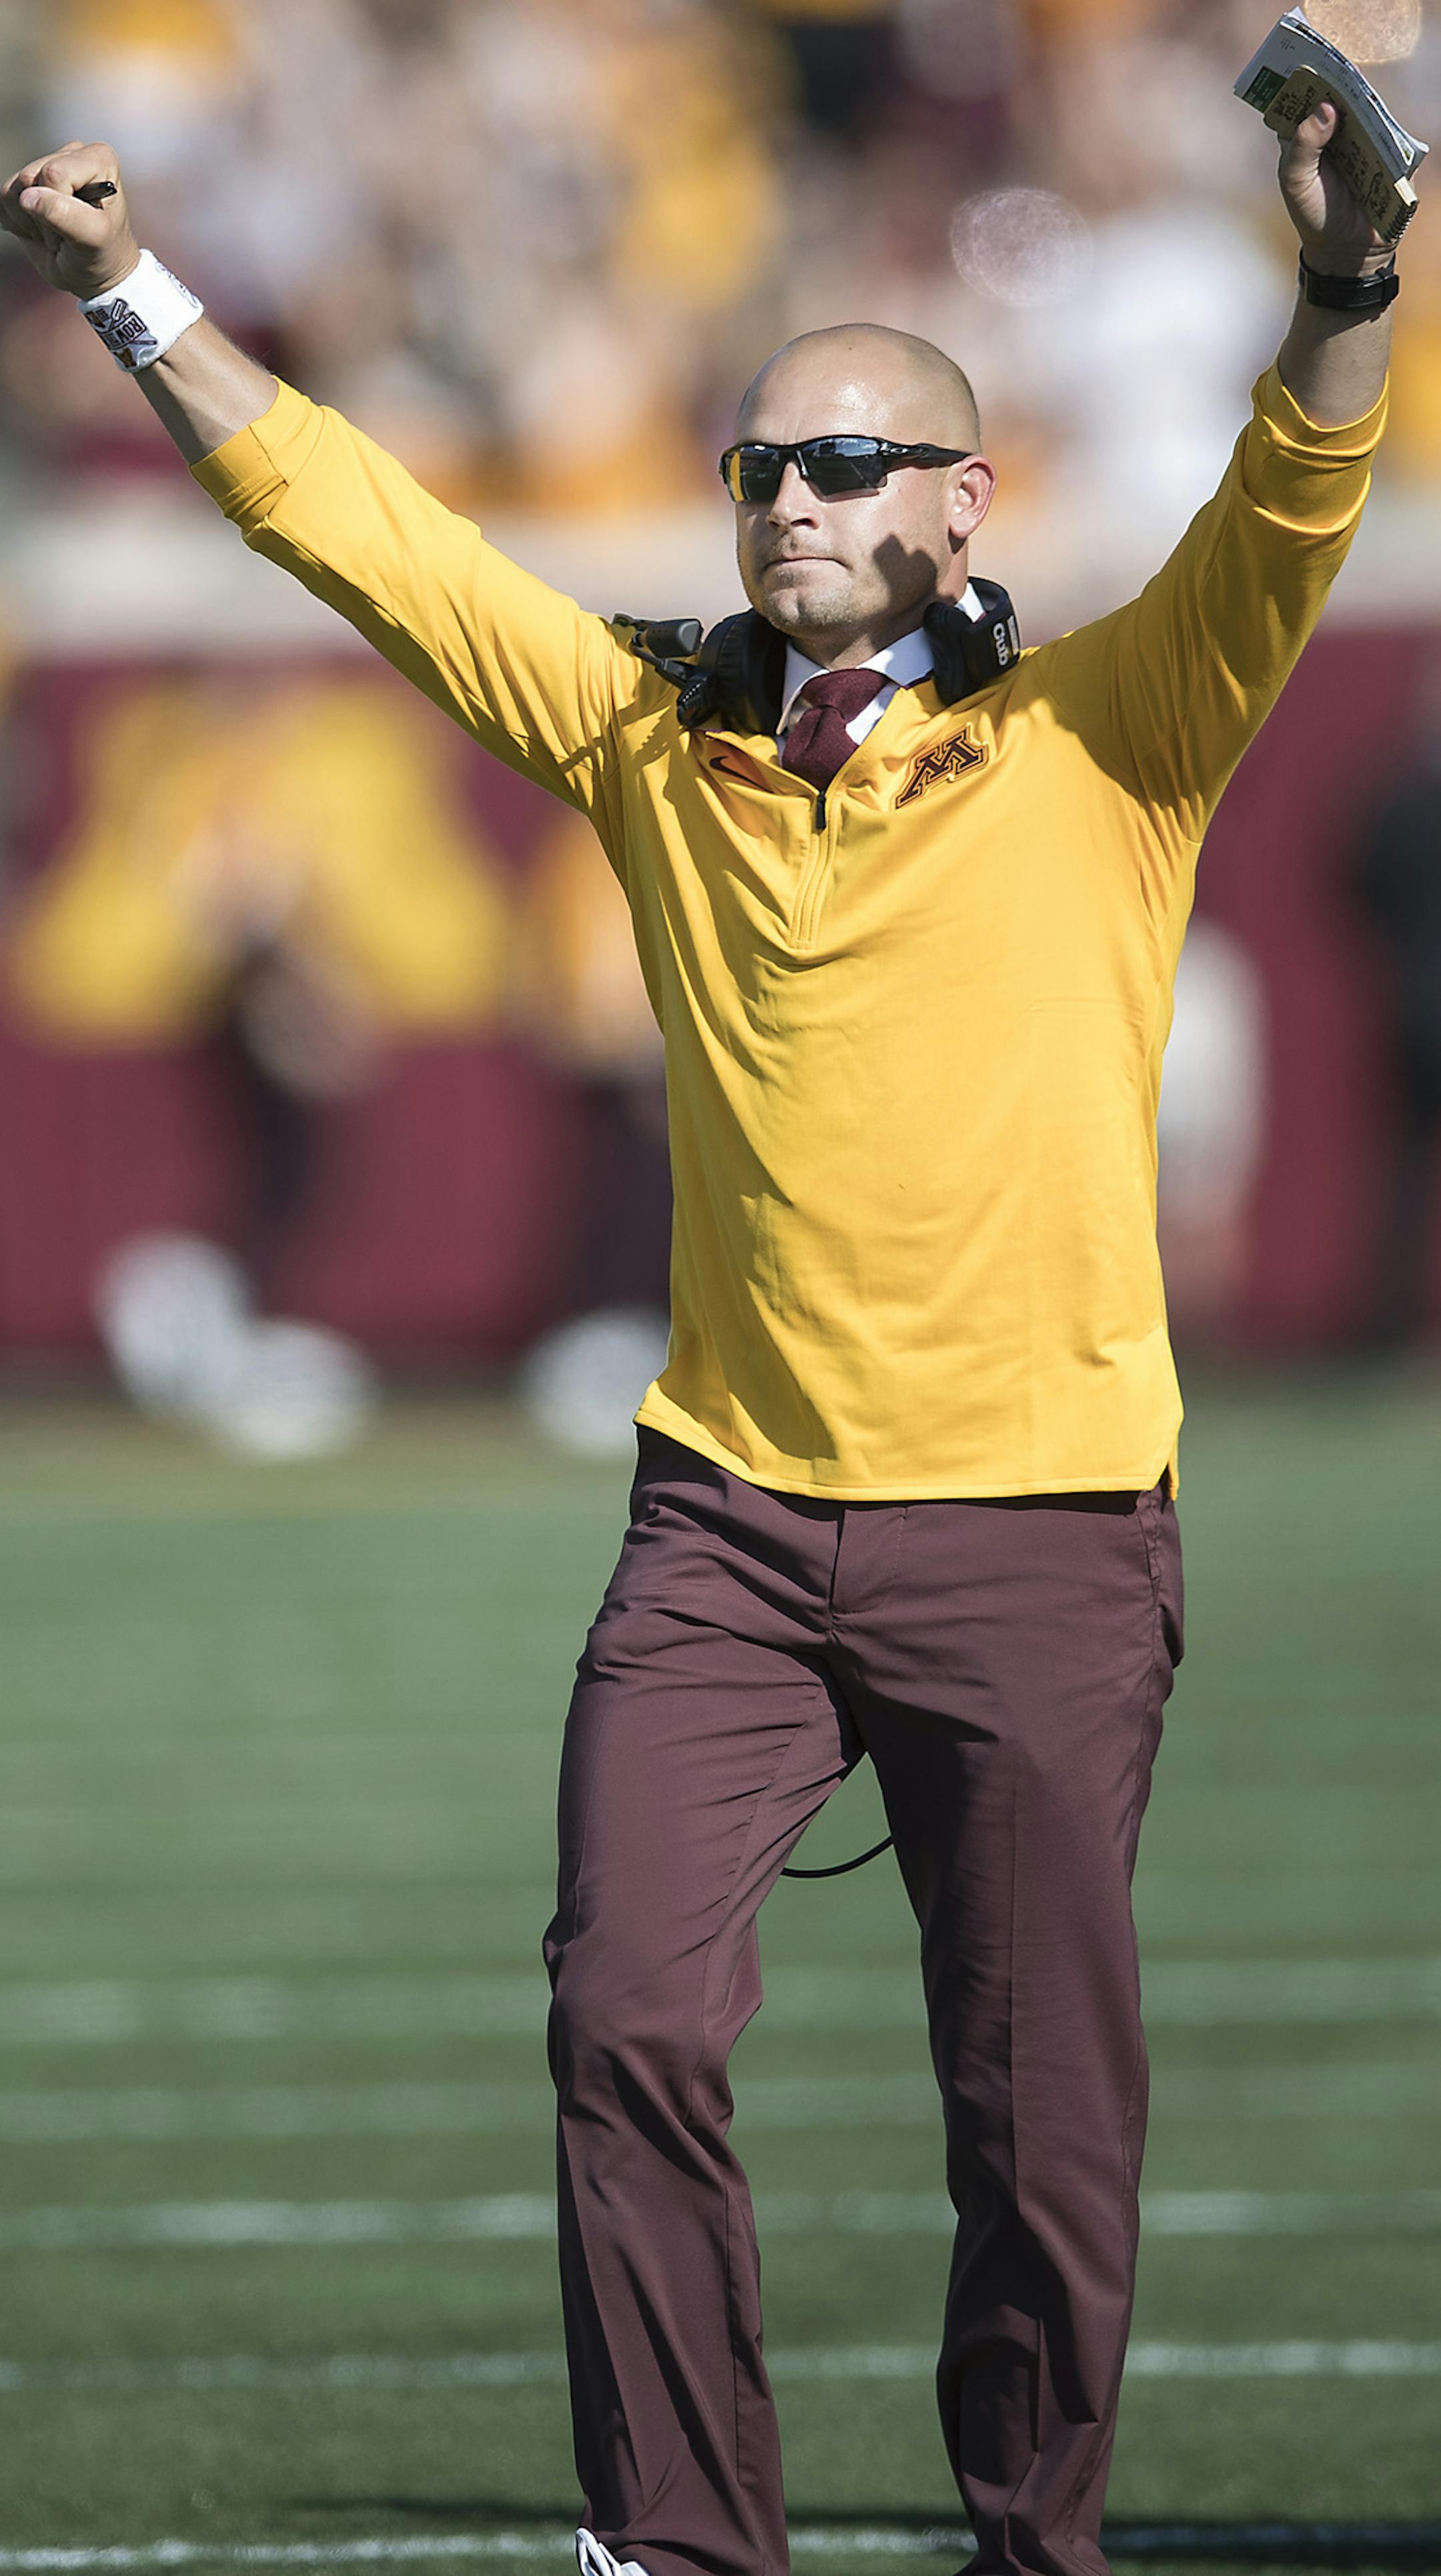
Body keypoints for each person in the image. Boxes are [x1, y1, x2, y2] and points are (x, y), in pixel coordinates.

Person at [0, 88, 1398, 2576]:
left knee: (1041, 2120)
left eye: (852, 462)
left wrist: (1351, 283)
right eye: (766, 464)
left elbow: (1292, 512)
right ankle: (682, 2548)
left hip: (1047, 1520)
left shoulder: (1112, 732)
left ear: (963, 507)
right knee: (626, 2020)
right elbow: (361, 532)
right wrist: (133, 288)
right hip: (727, 1524)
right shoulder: (657, 737)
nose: (789, 501)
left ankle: (1032, 2544)